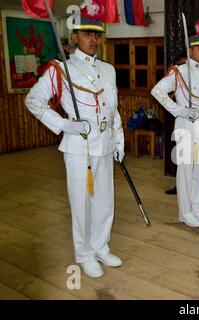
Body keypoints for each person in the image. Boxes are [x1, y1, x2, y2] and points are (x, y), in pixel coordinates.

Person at [25, 17, 124, 278]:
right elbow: (33, 100)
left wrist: (119, 137)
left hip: (104, 143)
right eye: (87, 34)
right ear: (75, 36)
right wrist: (64, 125)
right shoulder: (62, 69)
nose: (94, 40)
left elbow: (113, 107)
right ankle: (84, 254)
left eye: (97, 35)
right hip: (79, 147)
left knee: (104, 201)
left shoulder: (109, 69)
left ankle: (101, 246)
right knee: (82, 202)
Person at [151, 22, 199, 228]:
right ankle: (185, 212)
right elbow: (157, 91)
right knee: (186, 171)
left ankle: (196, 209)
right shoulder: (179, 72)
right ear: (190, 50)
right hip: (187, 127)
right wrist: (179, 110)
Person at [164, 53, 187, 196]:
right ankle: (180, 187)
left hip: (197, 125)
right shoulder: (175, 76)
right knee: (181, 157)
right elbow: (166, 94)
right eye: (180, 64)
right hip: (181, 123)